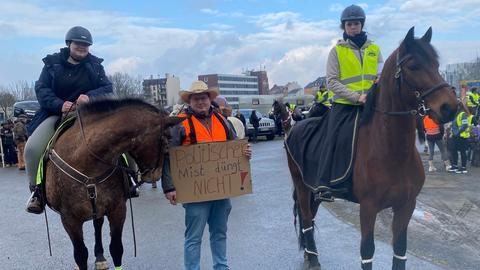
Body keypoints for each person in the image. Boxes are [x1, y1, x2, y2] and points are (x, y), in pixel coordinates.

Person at [161, 81, 251, 270]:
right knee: (193, 237)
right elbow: (168, 156)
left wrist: (245, 151)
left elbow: (235, 146)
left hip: (221, 190)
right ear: (190, 101)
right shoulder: (180, 124)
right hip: (195, 193)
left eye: (204, 98)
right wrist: (169, 187)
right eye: (196, 98)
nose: (200, 102)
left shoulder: (223, 121)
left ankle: (221, 267)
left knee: (220, 233)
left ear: (210, 99)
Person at [25, 26, 113, 214]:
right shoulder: (51, 63)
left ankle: (129, 182)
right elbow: (41, 89)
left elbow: (107, 88)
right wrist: (59, 104)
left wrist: (90, 97)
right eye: (78, 44)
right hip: (56, 114)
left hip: (89, 115)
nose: (82, 47)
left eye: (86, 45)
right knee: (32, 149)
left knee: (122, 139)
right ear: (69, 44)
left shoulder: (96, 66)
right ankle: (37, 193)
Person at [321, 4, 383, 198]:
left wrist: (374, 92)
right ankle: (324, 184)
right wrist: (357, 97)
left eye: (356, 24)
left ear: (361, 25)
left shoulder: (374, 49)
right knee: (332, 139)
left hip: (372, 104)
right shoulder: (336, 51)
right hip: (345, 105)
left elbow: (381, 76)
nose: (353, 27)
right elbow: (331, 82)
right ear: (344, 27)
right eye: (349, 24)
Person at [448, 104, 473, 173]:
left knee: (462, 152)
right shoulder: (456, 115)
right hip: (456, 136)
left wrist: (457, 132)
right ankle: (455, 166)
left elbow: (465, 125)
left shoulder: (463, 114)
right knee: (454, 151)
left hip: (462, 137)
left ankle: (463, 167)